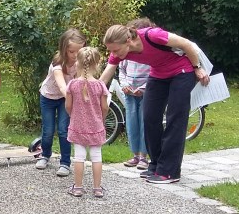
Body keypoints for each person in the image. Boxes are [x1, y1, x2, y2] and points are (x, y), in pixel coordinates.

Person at [101, 23, 210, 184]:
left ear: (128, 40)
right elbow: (105, 76)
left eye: (116, 50)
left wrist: (197, 67)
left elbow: (186, 44)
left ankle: (169, 171)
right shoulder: (119, 53)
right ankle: (157, 165)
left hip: (181, 72)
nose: (113, 54)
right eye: (111, 50)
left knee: (175, 119)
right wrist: (91, 91)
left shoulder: (152, 35)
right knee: (149, 118)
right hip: (158, 74)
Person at [35, 28, 86, 177]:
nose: (75, 55)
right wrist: (73, 99)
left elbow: (81, 81)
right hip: (49, 97)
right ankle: (45, 155)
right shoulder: (57, 64)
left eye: (79, 51)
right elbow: (63, 86)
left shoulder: (80, 63)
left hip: (65, 99)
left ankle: (65, 163)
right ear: (64, 49)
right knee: (48, 130)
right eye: (71, 51)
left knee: (64, 130)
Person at [65, 46, 110, 198]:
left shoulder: (72, 85)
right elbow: (105, 107)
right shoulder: (100, 85)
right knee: (96, 156)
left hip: (77, 125)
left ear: (77, 63)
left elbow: (68, 106)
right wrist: (101, 118)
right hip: (96, 126)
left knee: (79, 156)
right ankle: (97, 188)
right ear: (96, 65)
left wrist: (73, 115)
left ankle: (78, 187)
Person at [118, 17, 155, 170]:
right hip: (130, 93)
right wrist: (124, 85)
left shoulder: (149, 53)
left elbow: (154, 72)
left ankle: (144, 157)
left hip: (145, 93)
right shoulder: (126, 53)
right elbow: (121, 70)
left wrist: (144, 88)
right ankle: (135, 154)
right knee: (132, 123)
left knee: (144, 123)